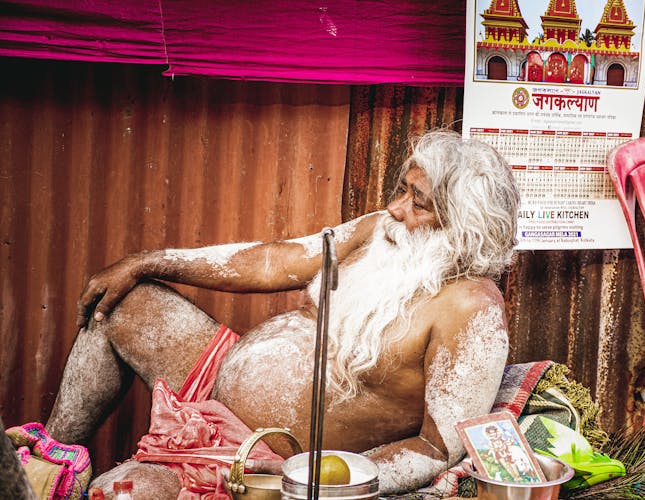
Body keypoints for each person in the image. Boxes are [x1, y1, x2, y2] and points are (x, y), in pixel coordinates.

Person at [44, 129, 520, 498]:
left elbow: (439, 449)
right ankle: (51, 459)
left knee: (118, 493)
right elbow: (278, 260)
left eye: (418, 203)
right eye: (403, 189)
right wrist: (147, 261)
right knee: (122, 302)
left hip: (260, 458)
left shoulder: (471, 309)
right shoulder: (380, 230)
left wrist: (307, 477)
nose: (395, 208)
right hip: (217, 375)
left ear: (465, 227)